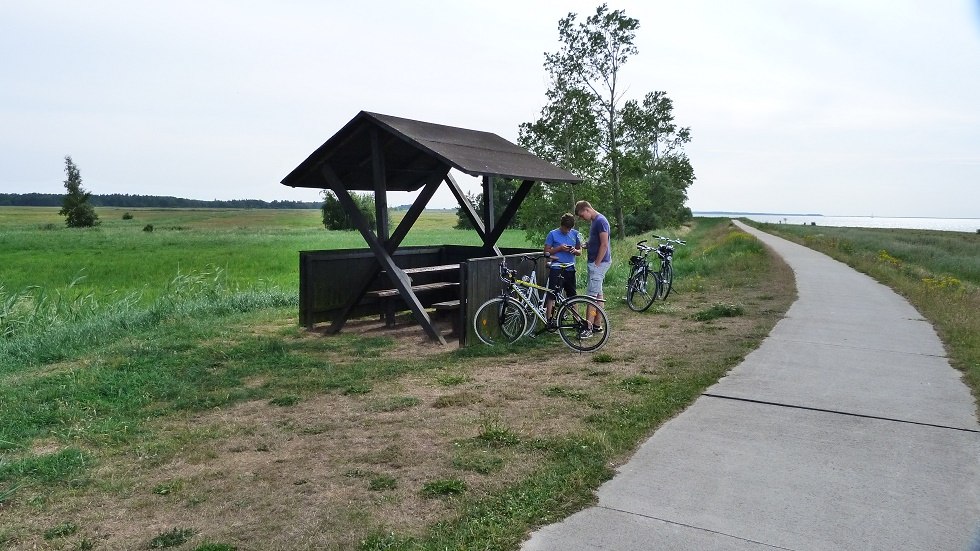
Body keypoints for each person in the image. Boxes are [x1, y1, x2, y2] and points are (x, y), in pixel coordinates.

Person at [574, 200, 610, 338]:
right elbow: (597, 241)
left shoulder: (601, 221)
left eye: (582, 215)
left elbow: (604, 244)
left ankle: (587, 328)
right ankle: (596, 324)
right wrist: (587, 245)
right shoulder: (595, 221)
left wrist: (597, 264)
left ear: (587, 210)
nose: (582, 219)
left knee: (591, 297)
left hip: (598, 264)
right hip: (596, 263)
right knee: (598, 296)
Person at [543, 213, 582, 323]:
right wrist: (559, 248)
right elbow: (546, 251)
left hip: (570, 268)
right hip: (556, 268)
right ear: (561, 225)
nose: (567, 231)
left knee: (572, 295)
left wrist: (575, 251)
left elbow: (580, 251)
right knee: (552, 294)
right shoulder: (552, 234)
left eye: (569, 229)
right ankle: (549, 320)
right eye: (565, 229)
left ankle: (577, 320)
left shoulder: (576, 234)